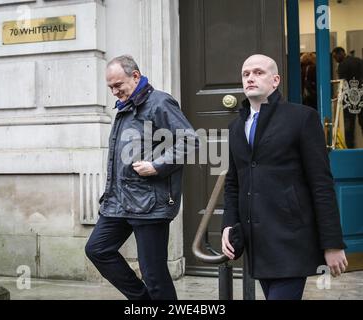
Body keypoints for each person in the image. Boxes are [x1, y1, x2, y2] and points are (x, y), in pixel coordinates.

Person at [221, 54, 348, 300]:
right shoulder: (236, 127)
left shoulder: (301, 118)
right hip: (257, 244)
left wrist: (332, 243)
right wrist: (228, 225)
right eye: (246, 74)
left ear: (275, 80)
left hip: (292, 239)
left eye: (258, 72)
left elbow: (321, 183)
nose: (250, 78)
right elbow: (233, 183)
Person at [85, 55, 197, 300]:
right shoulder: (125, 106)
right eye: (110, 87)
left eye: (118, 85)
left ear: (135, 76)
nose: (114, 92)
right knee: (97, 249)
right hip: (118, 202)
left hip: (149, 204)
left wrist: (157, 165)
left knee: (154, 274)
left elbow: (190, 141)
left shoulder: (160, 103)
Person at [332, 47, 363, 148]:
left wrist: (337, 95)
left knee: (349, 126)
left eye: (335, 56)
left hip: (348, 99)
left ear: (340, 53)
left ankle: (351, 149)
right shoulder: (359, 61)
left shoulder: (342, 65)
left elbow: (343, 83)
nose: (335, 59)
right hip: (361, 96)